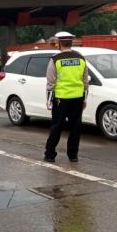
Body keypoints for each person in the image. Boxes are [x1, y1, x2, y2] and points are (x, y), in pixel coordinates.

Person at [44, 31, 89, 163]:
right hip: (77, 99)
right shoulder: (81, 59)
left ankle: (50, 155)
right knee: (75, 127)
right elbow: (85, 81)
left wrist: (48, 101)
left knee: (56, 127)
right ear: (71, 42)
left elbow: (50, 83)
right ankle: (73, 155)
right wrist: (84, 99)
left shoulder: (55, 59)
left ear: (59, 44)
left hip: (60, 99)